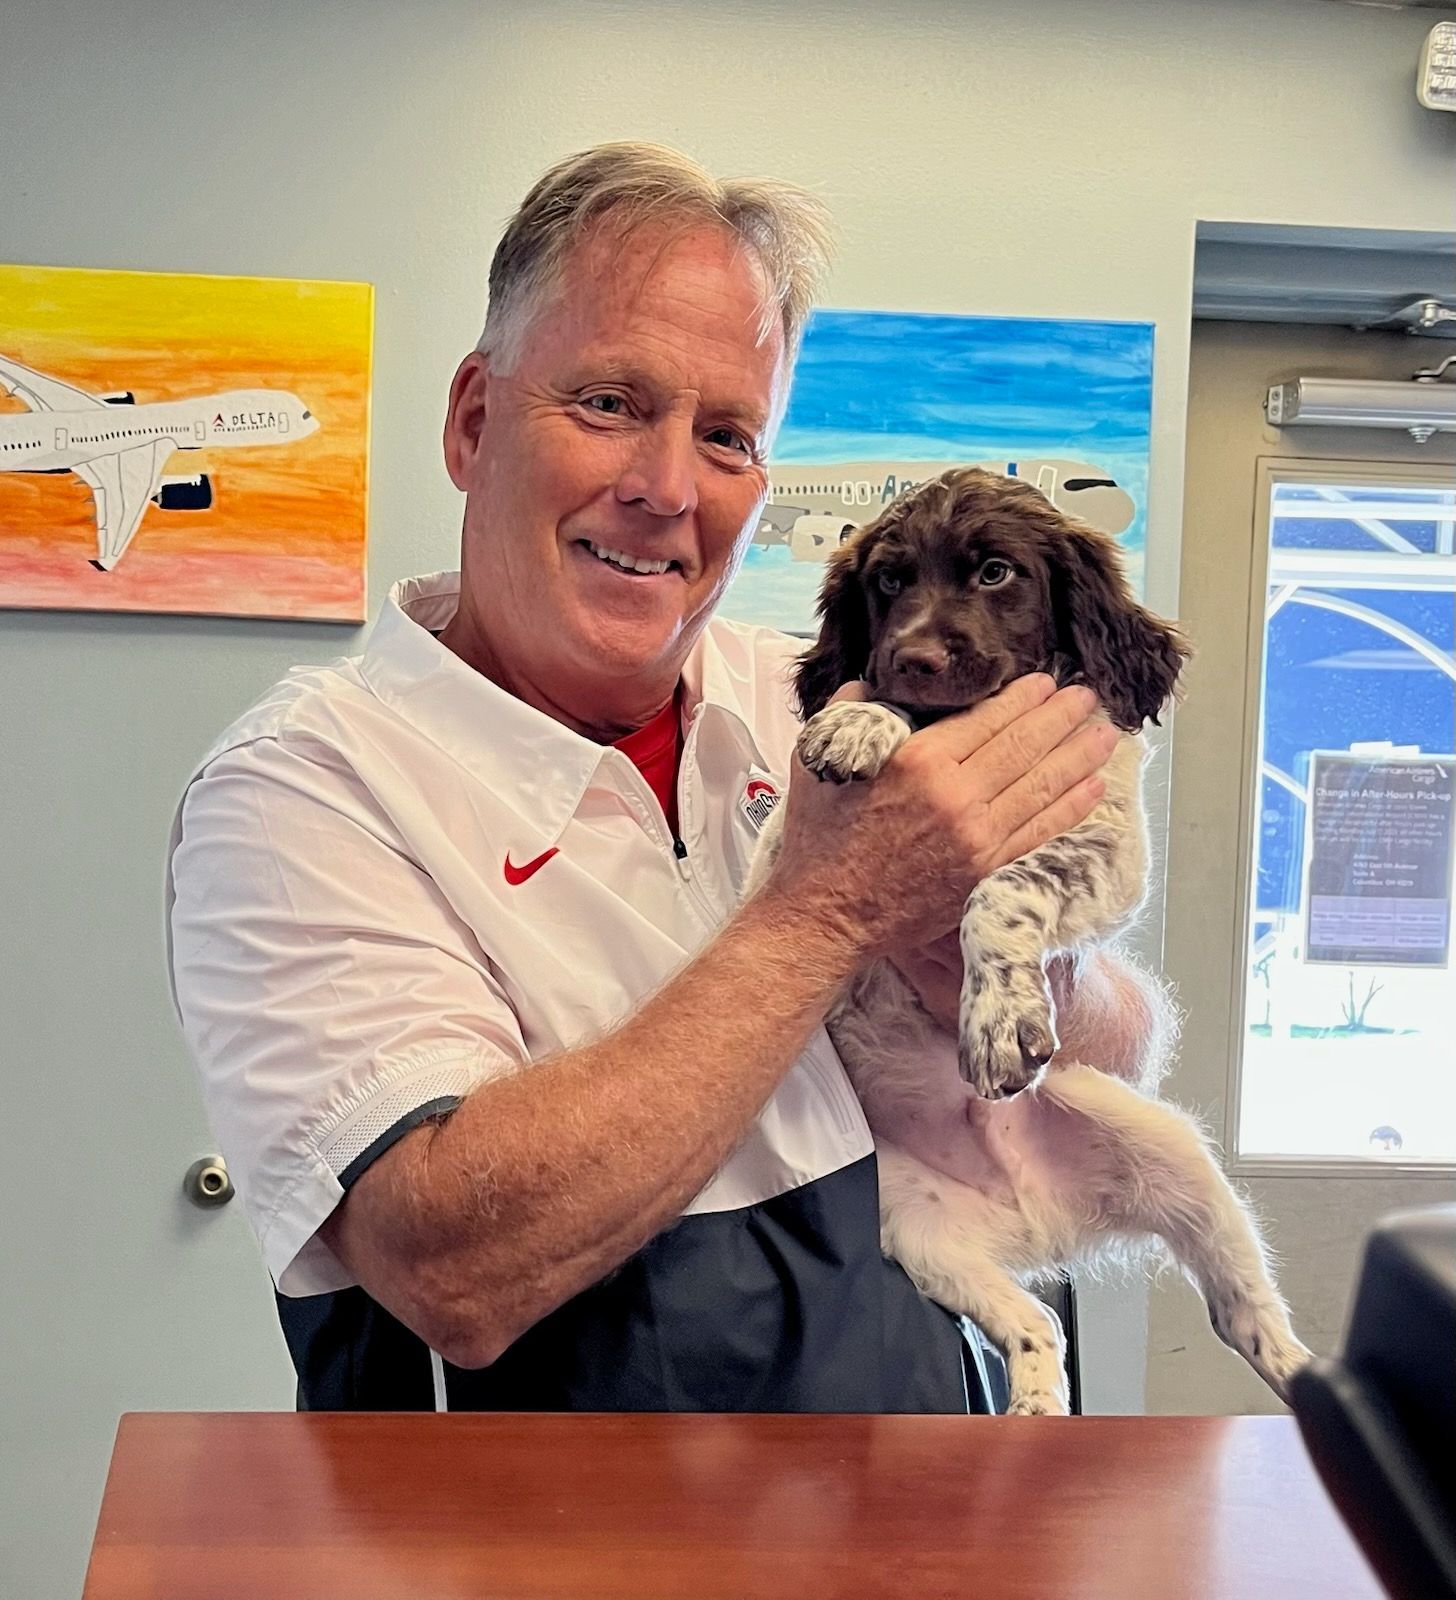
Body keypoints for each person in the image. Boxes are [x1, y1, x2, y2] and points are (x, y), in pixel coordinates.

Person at [166, 142, 1161, 1414]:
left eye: (728, 436)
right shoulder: (305, 790)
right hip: (561, 1517)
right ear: (472, 422)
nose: (666, 488)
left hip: (933, 1482)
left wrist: (989, 954)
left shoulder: (816, 694)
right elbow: (449, 1266)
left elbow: (1115, 1050)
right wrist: (830, 910)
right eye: (609, 405)